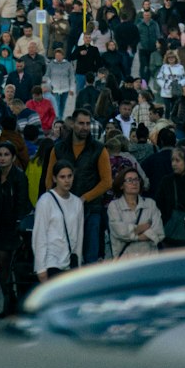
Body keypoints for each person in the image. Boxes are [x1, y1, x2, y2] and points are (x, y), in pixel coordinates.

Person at [43, 107, 112, 264]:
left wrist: (84, 198)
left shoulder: (99, 149)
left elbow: (107, 182)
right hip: (64, 209)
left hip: (91, 209)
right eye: (81, 123)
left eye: (88, 124)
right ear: (73, 124)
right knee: (64, 256)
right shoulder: (59, 148)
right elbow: (49, 180)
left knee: (90, 256)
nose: (85, 127)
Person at [0, 141, 31, 318]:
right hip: (0, 227)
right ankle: (8, 304)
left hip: (16, 227)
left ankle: (21, 306)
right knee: (2, 267)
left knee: (17, 268)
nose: (2, 158)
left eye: (6, 154)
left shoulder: (19, 176)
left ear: (12, 157)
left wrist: (19, 225)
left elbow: (22, 203)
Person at [32, 162, 83, 280]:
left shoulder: (77, 202)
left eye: (70, 176)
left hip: (70, 261)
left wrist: (78, 265)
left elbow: (79, 236)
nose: (67, 180)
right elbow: (39, 235)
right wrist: (40, 268)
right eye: (62, 177)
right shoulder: (45, 201)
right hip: (51, 261)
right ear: (54, 178)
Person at [107, 166, 165, 259]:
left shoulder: (150, 204)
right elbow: (119, 231)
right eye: (129, 180)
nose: (134, 183)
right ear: (122, 185)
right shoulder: (114, 206)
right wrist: (143, 228)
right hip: (125, 262)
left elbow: (159, 232)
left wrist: (134, 234)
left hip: (149, 259)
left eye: (136, 179)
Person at [156, 147, 185, 248]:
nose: (173, 164)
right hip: (171, 233)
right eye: (172, 160)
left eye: (177, 160)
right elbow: (159, 206)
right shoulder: (167, 181)